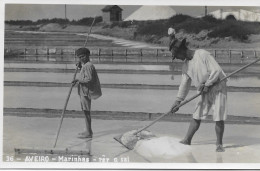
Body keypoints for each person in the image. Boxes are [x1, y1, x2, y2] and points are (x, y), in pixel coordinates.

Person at [169, 38, 228, 152]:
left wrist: (208, 84)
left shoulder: (202, 54)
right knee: (197, 114)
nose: (177, 58)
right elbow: (184, 85)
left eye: (176, 55)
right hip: (203, 89)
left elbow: (216, 70)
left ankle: (219, 144)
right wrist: (178, 101)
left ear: (182, 50)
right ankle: (187, 139)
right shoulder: (186, 66)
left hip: (218, 86)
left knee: (218, 115)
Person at [72, 47, 102, 139]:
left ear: (88, 55)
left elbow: (89, 79)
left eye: (83, 56)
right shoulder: (85, 65)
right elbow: (85, 74)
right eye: (79, 57)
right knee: (85, 111)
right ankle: (88, 131)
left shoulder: (88, 65)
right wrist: (81, 67)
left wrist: (77, 79)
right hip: (83, 91)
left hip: (86, 92)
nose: (81, 59)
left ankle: (89, 132)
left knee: (86, 112)